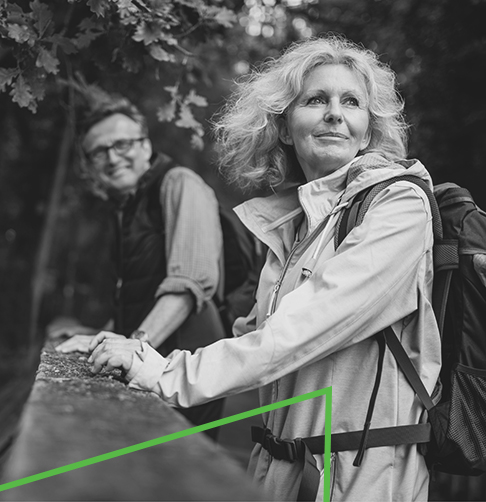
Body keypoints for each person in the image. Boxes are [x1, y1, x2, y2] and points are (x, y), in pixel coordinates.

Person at [86, 36, 441, 501]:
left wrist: (165, 372)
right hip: (280, 475)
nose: (334, 112)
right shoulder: (296, 224)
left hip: (363, 480)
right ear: (286, 128)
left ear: (368, 130)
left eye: (351, 102)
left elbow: (306, 326)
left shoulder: (399, 205)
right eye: (316, 100)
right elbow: (251, 339)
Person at [51, 97, 226, 438]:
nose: (112, 157)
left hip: (185, 373)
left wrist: (132, 347)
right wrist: (97, 338)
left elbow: (189, 285)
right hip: (147, 367)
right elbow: (134, 294)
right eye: (99, 151)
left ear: (145, 145)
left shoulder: (179, 183)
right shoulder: (127, 209)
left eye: (122, 144)